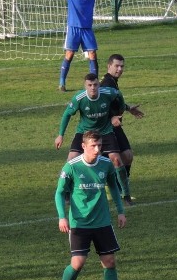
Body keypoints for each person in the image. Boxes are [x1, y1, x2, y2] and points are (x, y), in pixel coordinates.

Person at [53, 130, 129, 280]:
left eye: (100, 146)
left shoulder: (105, 164)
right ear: (83, 146)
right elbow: (59, 193)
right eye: (93, 146)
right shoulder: (72, 167)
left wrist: (120, 211)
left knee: (110, 262)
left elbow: (113, 185)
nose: (97, 149)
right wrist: (62, 217)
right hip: (80, 223)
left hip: (102, 221)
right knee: (78, 263)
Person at [29, 0, 141, 91]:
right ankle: (62, 83)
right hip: (74, 29)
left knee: (92, 54)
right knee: (69, 54)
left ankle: (95, 83)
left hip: (87, 29)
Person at [55, 73, 132, 204]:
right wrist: (60, 135)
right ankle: (67, 193)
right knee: (71, 159)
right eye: (90, 85)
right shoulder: (79, 98)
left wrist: (120, 112)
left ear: (98, 85)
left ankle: (126, 194)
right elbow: (67, 114)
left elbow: (119, 95)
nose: (93, 88)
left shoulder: (107, 93)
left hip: (105, 131)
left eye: (95, 84)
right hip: (84, 132)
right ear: (85, 86)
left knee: (117, 160)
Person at [101, 54, 145, 199]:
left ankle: (118, 189)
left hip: (114, 124)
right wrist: (112, 117)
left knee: (126, 156)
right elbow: (101, 105)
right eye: (117, 66)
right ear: (109, 66)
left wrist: (127, 108)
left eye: (122, 66)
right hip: (108, 126)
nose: (120, 69)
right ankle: (115, 189)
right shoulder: (107, 83)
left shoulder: (112, 81)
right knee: (124, 156)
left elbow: (114, 102)